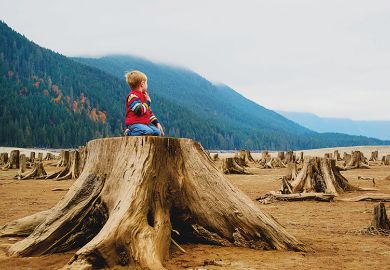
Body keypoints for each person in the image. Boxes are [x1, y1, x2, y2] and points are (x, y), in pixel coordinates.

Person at [124, 70, 164, 136]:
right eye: (146, 83)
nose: (147, 85)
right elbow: (139, 110)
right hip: (134, 124)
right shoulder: (132, 96)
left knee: (157, 132)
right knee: (147, 131)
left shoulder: (144, 96)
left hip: (144, 125)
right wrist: (147, 102)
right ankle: (129, 133)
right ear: (142, 84)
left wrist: (157, 123)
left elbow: (149, 113)